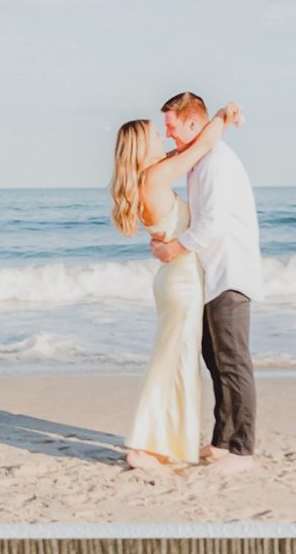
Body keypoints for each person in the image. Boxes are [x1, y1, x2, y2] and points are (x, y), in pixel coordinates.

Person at [110, 102, 242, 469]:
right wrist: (222, 116)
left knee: (177, 361)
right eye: (155, 133)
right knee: (171, 363)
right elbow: (202, 145)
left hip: (177, 280)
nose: (163, 135)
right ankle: (141, 446)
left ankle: (159, 442)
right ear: (141, 146)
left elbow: (191, 146)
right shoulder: (154, 178)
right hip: (181, 281)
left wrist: (213, 125)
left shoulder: (151, 174)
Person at [151, 89, 265, 462]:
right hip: (211, 272)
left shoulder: (215, 161)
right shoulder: (200, 159)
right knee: (214, 359)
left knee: (232, 362)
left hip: (229, 271)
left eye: (173, 127)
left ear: (194, 122)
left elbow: (212, 224)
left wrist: (173, 249)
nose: (169, 134)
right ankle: (222, 441)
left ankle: (242, 449)